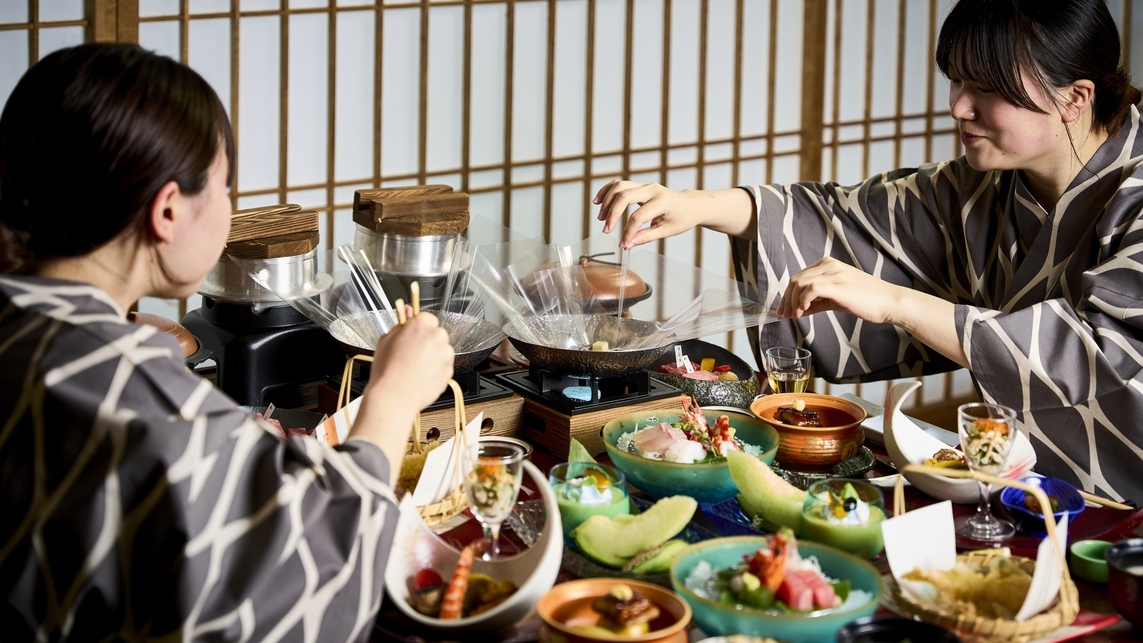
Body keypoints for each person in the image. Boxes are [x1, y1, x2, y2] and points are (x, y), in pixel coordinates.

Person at [595, 0, 1143, 503]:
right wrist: (700, 205)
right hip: (1006, 480)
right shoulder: (985, 185)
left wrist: (895, 302)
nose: (958, 106)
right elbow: (846, 217)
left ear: (1076, 97)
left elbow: (1099, 352)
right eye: (955, 81)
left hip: (1119, 501)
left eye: (985, 88)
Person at [0, 44, 455, 640]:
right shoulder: (138, 399)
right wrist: (394, 394)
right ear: (166, 211)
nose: (229, 205)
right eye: (223, 186)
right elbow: (315, 573)